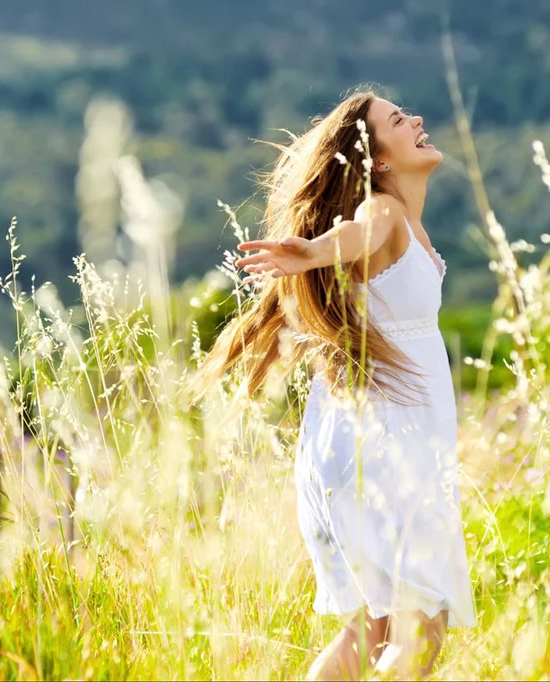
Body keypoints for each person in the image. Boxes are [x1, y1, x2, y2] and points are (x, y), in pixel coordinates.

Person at [189, 87, 476, 680]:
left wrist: (316, 252)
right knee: (419, 627)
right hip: (383, 445)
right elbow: (359, 233)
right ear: (380, 160)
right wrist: (314, 250)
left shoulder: (403, 222)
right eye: (399, 120)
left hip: (351, 442)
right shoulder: (385, 212)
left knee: (371, 632)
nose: (418, 119)